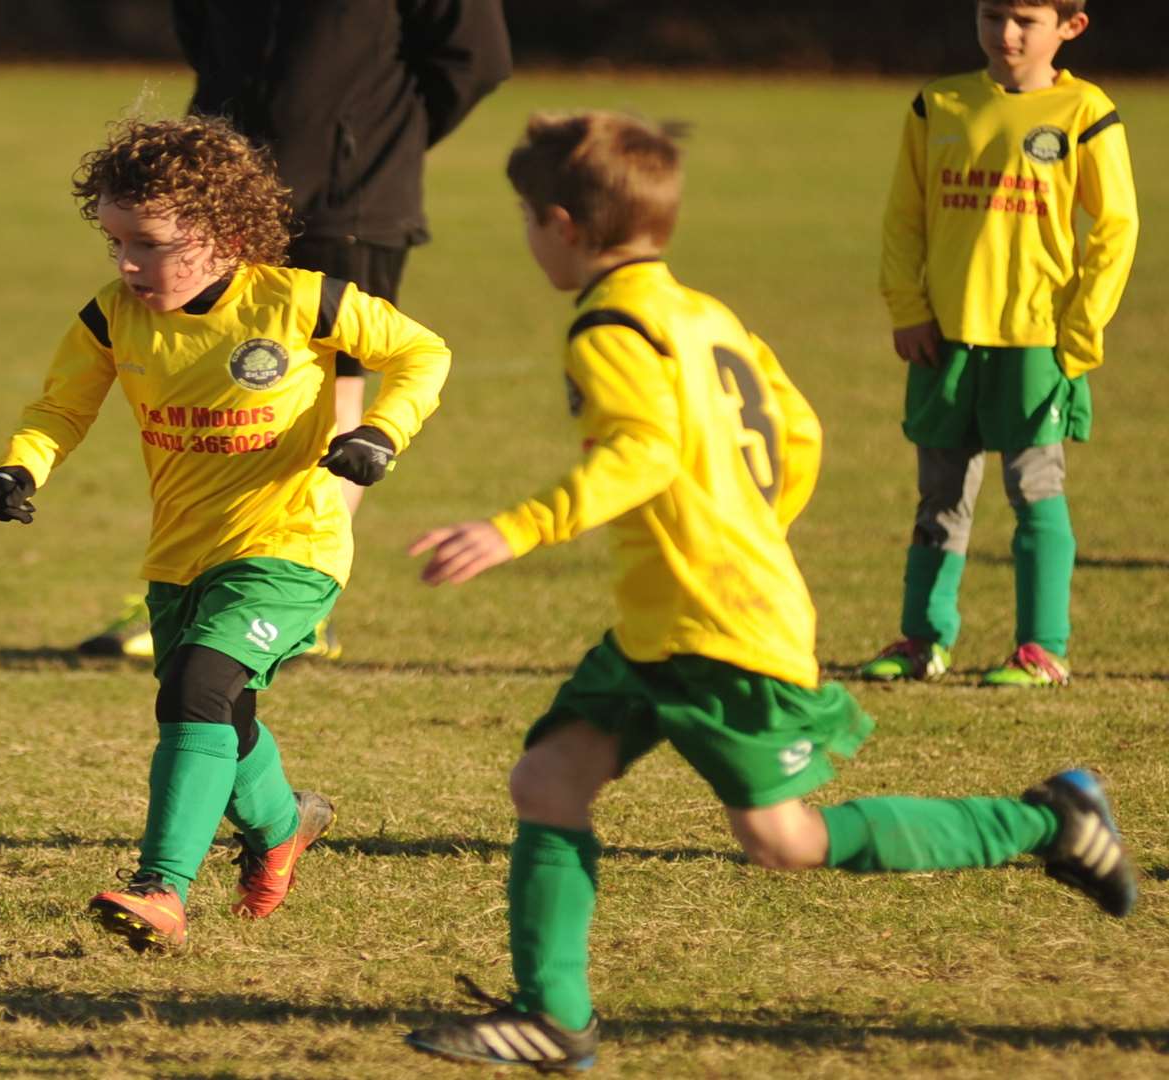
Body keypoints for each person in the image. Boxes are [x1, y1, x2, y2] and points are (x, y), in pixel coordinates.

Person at [400, 112, 1135, 1071]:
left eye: (525, 221)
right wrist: (755, 522)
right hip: (670, 621)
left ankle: (1051, 819)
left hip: (716, 626)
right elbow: (799, 427)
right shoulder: (704, 312)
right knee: (548, 780)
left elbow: (645, 453)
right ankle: (553, 1016)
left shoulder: (609, 328)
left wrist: (514, 527)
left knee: (782, 839)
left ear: (562, 224)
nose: (527, 239)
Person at [0, 116, 451, 952]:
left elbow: (423, 353)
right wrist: (19, 469)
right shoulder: (112, 317)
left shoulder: (299, 298)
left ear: (223, 237)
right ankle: (283, 827)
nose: (126, 263)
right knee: (220, 716)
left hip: (292, 546)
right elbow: (60, 408)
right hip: (180, 558)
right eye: (116, 242)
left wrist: (380, 433)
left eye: (148, 245)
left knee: (197, 687)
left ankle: (162, 887)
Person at [75, 0, 511, 660]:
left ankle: (294, 599)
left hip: (348, 197)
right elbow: (203, 32)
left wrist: (370, 138)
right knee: (203, 390)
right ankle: (203, 581)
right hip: (210, 199)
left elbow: (475, 58)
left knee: (334, 400)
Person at [859, 0, 1136, 688]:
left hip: (1036, 338)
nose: (1005, 34)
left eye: (1024, 20)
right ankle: (923, 641)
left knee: (1034, 487)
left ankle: (1042, 648)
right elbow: (904, 218)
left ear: (1070, 26)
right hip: (945, 336)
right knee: (939, 494)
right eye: (991, 15)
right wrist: (908, 306)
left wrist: (1079, 329)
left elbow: (1115, 228)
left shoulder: (1085, 111)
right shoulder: (938, 104)